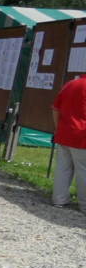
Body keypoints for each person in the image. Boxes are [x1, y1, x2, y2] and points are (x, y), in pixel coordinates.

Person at [51, 73, 86, 212]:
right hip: (82, 135)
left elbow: (55, 108)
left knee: (62, 168)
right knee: (83, 170)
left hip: (64, 133)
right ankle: (84, 205)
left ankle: (59, 199)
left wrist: (57, 128)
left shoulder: (70, 84)